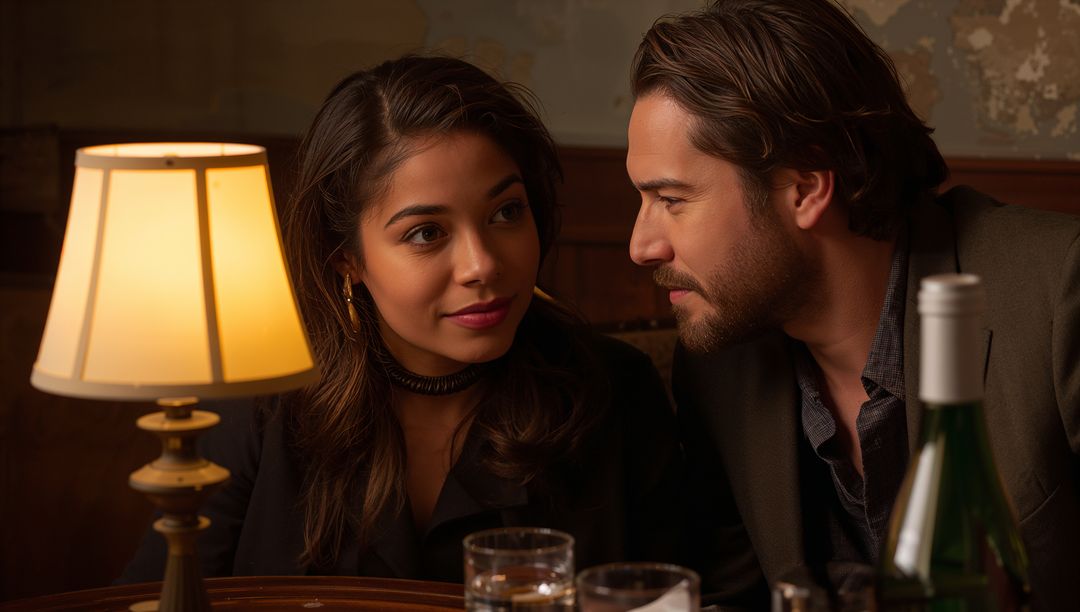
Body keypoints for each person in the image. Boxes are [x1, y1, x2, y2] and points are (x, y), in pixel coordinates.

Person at [120, 55, 681, 583]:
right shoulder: (261, 402)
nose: (482, 265)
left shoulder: (615, 391)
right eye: (426, 233)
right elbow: (158, 596)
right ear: (346, 257)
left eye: (506, 212)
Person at [625, 0, 1079, 609]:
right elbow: (732, 598)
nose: (641, 246)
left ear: (805, 188)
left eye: (672, 200)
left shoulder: (1059, 293)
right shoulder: (719, 361)